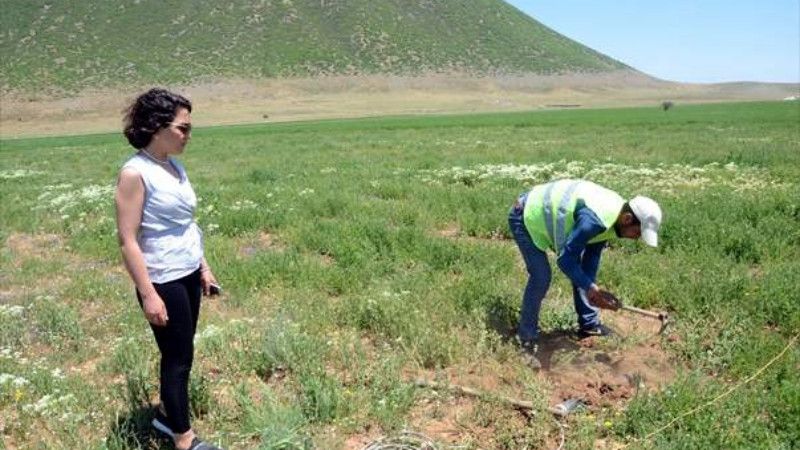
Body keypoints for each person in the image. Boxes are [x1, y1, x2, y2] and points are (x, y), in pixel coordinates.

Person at [115, 88, 223, 450]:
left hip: (188, 271)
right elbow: (128, 240)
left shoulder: (174, 166)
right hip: (162, 278)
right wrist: (148, 294)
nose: (189, 135)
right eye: (183, 128)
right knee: (177, 360)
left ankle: (165, 416)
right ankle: (184, 439)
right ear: (157, 126)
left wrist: (204, 266)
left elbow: (186, 224)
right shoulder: (135, 173)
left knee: (184, 352)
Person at [508, 179, 662, 368]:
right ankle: (526, 340)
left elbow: (590, 259)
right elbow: (565, 260)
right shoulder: (595, 220)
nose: (636, 238)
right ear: (628, 219)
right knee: (541, 277)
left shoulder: (614, 218)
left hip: (539, 212)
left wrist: (591, 288)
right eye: (637, 233)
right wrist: (591, 288)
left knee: (584, 274)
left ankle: (589, 325)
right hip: (524, 214)